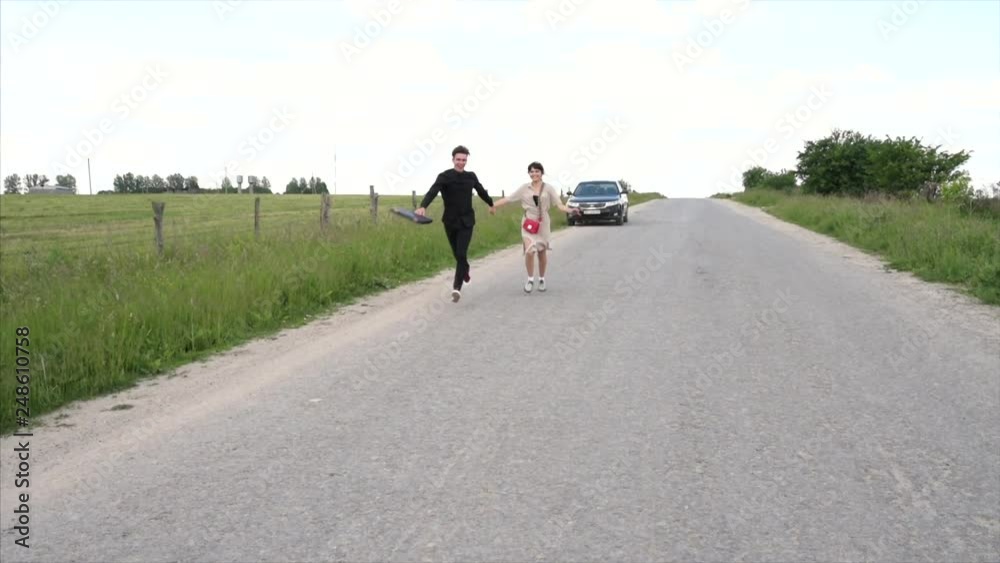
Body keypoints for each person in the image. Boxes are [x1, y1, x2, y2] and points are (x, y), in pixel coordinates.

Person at [415, 145, 496, 303]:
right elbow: (433, 191)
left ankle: (456, 288)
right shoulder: (444, 176)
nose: (461, 162)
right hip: (450, 221)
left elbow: (481, 191)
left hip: (467, 221)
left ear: (467, 160)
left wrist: (491, 204)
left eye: (464, 160)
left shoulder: (471, 176)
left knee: (461, 253)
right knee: (457, 254)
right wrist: (423, 206)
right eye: (458, 159)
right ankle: (465, 270)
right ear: (453, 159)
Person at [491, 161, 580, 293]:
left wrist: (571, 210)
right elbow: (509, 198)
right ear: (529, 173)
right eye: (531, 171)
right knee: (530, 250)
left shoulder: (548, 188)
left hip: (543, 223)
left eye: (537, 171)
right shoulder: (524, 188)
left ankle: (542, 279)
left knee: (541, 252)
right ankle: (530, 279)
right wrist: (493, 205)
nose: (534, 174)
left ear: (542, 173)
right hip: (528, 222)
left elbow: (559, 205)